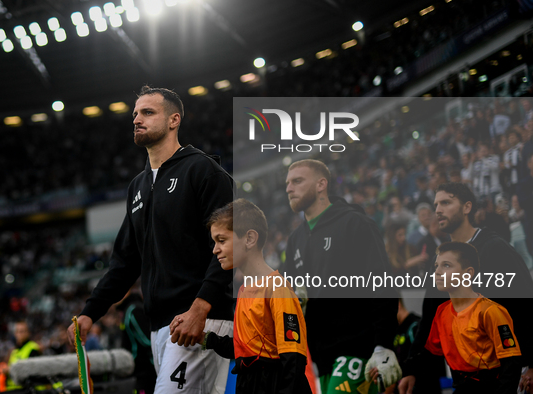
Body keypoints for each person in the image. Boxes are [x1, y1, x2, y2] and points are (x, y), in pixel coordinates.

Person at [68, 86, 234, 393]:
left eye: (147, 112)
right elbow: (124, 263)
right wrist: (90, 312)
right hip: (159, 326)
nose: (136, 119)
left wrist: (200, 308)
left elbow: (230, 246)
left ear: (174, 120)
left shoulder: (204, 170)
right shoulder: (138, 186)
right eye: (134, 114)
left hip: (200, 318)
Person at [399, 182, 533, 394]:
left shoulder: (495, 249)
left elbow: (524, 305)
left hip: (507, 375)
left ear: (467, 207)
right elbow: (430, 319)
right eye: (436, 205)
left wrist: (531, 364)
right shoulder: (442, 259)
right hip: (466, 379)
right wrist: (411, 368)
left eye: (446, 202)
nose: (438, 210)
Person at [282, 159, 400, 394]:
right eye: (287, 183)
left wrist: (382, 345)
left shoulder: (355, 223)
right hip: (321, 357)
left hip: (358, 350)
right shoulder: (295, 239)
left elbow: (382, 283)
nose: (288, 188)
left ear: (321, 184)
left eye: (297, 181)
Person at [191, 198, 312, 393]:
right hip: (248, 384)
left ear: (249, 239)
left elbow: (293, 358)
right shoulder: (244, 291)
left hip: (275, 384)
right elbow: (244, 349)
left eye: (222, 240)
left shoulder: (277, 288)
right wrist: (205, 338)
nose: (215, 249)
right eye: (214, 242)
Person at [424, 242, 521, 393]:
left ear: (468, 273)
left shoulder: (490, 311)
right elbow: (430, 355)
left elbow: (511, 363)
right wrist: (408, 371)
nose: (437, 272)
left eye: (446, 265)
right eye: (436, 265)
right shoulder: (441, 311)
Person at [5, 321, 41, 390]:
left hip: (27, 389)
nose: (19, 334)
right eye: (17, 331)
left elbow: (32, 371)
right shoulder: (15, 351)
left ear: (28, 333)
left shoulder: (33, 348)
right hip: (15, 389)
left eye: (22, 331)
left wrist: (10, 370)